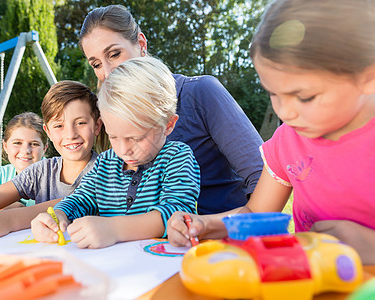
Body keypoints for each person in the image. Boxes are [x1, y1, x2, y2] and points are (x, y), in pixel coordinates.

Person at [167, 0, 375, 265]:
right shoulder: (287, 142)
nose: (285, 112)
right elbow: (255, 213)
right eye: (273, 93)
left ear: (368, 75)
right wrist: (204, 225)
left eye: (304, 96)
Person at [78, 5, 263, 215]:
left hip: (220, 235)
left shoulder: (200, 92)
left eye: (114, 54)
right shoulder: (111, 112)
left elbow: (264, 177)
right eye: (96, 64)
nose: (108, 73)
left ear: (141, 44)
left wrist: (222, 228)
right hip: (151, 243)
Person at [31, 56, 200, 249]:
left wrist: (114, 229)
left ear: (168, 125)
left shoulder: (177, 157)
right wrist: (57, 216)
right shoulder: (105, 162)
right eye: (113, 137)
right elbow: (79, 199)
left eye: (135, 138)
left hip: (159, 269)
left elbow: (176, 214)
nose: (123, 149)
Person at [0, 81, 105, 241]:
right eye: (59, 125)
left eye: (81, 123)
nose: (71, 134)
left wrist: (8, 219)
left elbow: (72, 201)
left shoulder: (107, 170)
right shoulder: (41, 170)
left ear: (97, 126)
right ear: (48, 131)